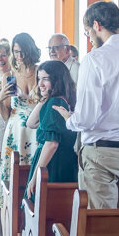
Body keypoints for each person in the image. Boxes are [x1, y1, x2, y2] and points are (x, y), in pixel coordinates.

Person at [60, 2, 119, 209]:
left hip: (101, 153)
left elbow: (85, 117)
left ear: (97, 25)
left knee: (101, 225)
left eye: (88, 32)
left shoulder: (95, 59)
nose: (89, 39)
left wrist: (70, 121)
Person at [0, 33, 40, 213]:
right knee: (14, 176)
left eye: (22, 51)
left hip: (36, 131)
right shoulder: (10, 77)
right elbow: (6, 114)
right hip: (15, 132)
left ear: (30, 50)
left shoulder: (41, 72)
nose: (19, 56)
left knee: (35, 175)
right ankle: (13, 219)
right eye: (16, 52)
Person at [24, 60, 78, 200]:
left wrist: (36, 177)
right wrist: (43, 98)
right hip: (63, 161)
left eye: (45, 79)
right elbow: (31, 123)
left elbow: (51, 144)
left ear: (57, 80)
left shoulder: (55, 103)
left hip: (53, 164)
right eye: (39, 79)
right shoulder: (59, 100)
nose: (40, 84)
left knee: (43, 209)